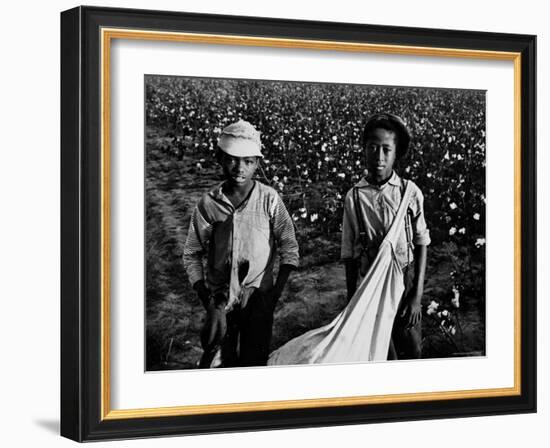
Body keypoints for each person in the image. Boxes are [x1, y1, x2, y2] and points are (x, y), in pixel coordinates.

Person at [183, 119, 299, 368]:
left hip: (258, 299)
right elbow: (192, 252)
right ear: (219, 158)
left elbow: (289, 246)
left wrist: (273, 296)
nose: (239, 168)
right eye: (232, 159)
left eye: (248, 161)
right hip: (220, 301)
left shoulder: (269, 199)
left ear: (257, 163)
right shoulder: (209, 204)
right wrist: (207, 297)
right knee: (220, 362)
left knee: (254, 360)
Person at [341, 113, 431, 360]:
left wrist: (417, 296)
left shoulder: (409, 192)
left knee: (412, 348)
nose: (379, 157)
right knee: (380, 350)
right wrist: (352, 299)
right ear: (364, 150)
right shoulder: (354, 197)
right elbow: (349, 253)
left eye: (386, 149)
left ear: (396, 153)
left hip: (405, 280)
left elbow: (422, 241)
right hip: (370, 282)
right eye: (372, 148)